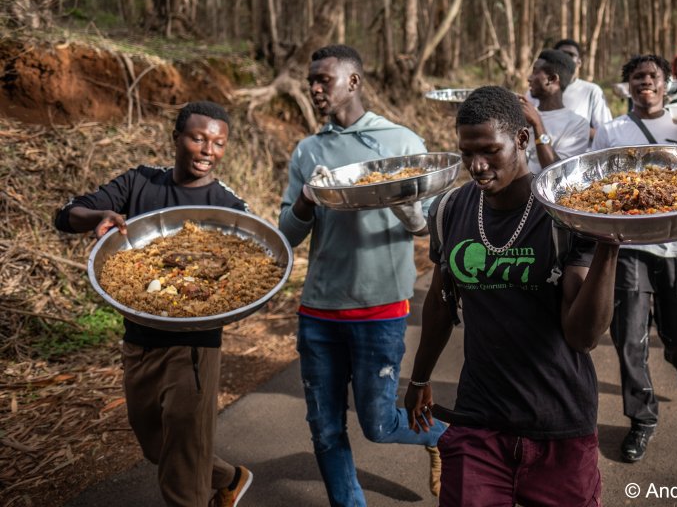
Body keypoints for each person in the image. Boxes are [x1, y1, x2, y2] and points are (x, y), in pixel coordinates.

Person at [403, 86, 620, 506]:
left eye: (489, 151)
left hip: (559, 423)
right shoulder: (449, 211)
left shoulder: (565, 212)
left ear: (521, 140)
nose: (477, 166)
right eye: (467, 153)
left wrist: (609, 247)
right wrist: (420, 377)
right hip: (479, 420)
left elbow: (582, 336)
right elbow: (441, 301)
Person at [54, 101, 254, 507]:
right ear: (177, 138)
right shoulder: (141, 182)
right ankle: (229, 476)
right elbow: (66, 213)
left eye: (218, 143)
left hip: (194, 348)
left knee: (182, 478)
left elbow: (254, 263)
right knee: (154, 444)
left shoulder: (226, 204)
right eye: (198, 138)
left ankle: (202, 487)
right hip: (139, 341)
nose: (207, 151)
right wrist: (98, 216)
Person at [278, 44, 444, 506]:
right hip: (319, 310)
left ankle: (444, 438)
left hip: (381, 307)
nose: (313, 88)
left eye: (322, 79)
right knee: (325, 428)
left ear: (352, 82)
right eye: (310, 79)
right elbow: (285, 235)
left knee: (379, 424)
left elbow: (427, 226)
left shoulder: (401, 143)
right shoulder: (309, 150)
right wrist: (307, 200)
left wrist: (407, 209)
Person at [592, 55, 677, 463]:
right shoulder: (612, 130)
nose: (645, 82)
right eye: (638, 77)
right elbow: (594, 181)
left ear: (666, 83)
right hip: (627, 245)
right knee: (629, 336)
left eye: (653, 76)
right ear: (627, 86)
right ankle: (642, 419)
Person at [523, 49, 591, 173]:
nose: (529, 78)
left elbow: (558, 173)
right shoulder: (525, 114)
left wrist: (537, 124)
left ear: (552, 79)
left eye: (535, 72)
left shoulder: (577, 124)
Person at [538, 38, 614, 141]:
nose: (566, 58)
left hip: (578, 156)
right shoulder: (537, 89)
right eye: (562, 54)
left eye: (571, 55)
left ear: (579, 62)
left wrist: (575, 126)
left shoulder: (592, 91)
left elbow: (607, 136)